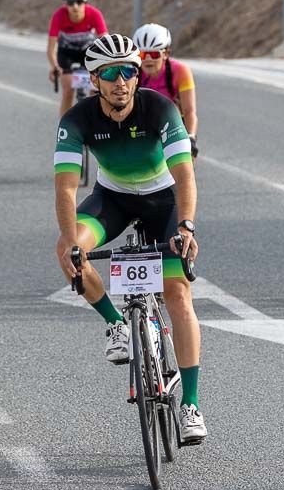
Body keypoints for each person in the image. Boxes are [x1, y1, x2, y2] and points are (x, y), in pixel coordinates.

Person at [53, 33, 207, 438]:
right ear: (94, 80)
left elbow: (184, 174)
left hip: (163, 200)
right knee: (65, 249)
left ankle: (190, 404)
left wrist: (187, 226)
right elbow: (67, 188)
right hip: (113, 198)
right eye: (110, 73)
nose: (121, 81)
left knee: (177, 292)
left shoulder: (160, 108)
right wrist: (72, 242)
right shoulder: (76, 121)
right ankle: (116, 323)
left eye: (129, 72)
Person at [133, 23, 198, 157]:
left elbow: (189, 111)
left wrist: (191, 137)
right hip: (143, 122)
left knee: (186, 168)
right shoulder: (133, 72)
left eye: (154, 54)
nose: (148, 59)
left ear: (166, 53)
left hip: (174, 123)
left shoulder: (180, 71)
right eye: (142, 54)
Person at [48, 0, 108, 115]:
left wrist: (106, 64)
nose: (75, 6)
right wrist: (54, 66)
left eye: (79, 2)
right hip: (67, 53)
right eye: (70, 3)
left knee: (95, 90)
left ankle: (95, 123)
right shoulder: (59, 16)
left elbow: (106, 42)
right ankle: (65, 127)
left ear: (85, 2)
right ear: (65, 4)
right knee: (68, 90)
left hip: (88, 52)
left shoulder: (94, 14)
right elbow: (51, 48)